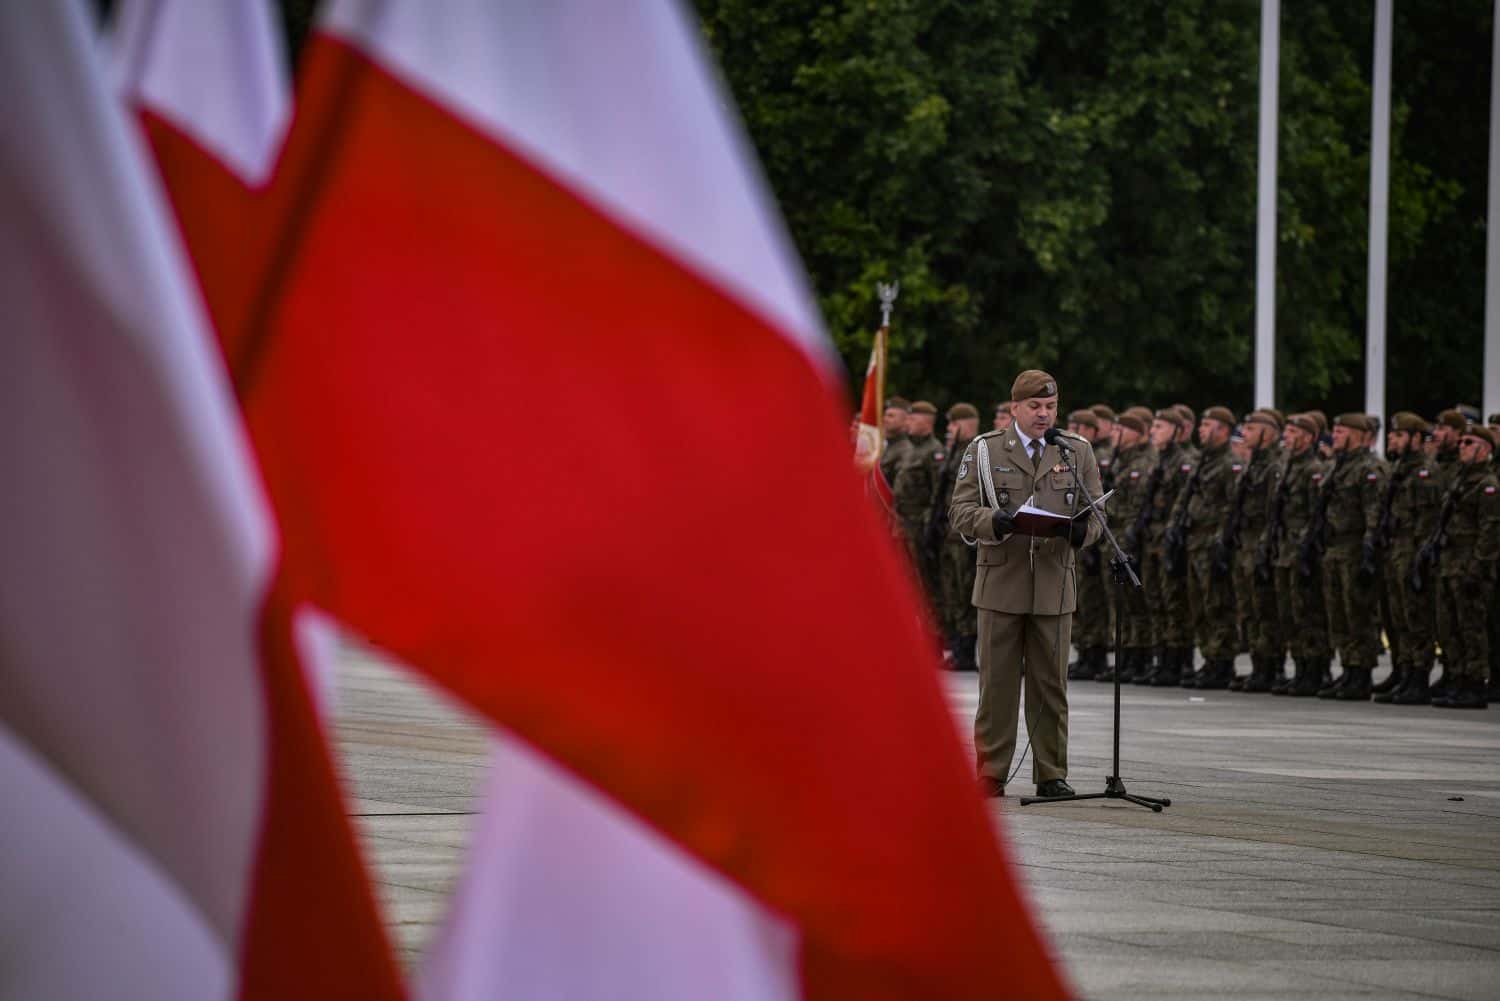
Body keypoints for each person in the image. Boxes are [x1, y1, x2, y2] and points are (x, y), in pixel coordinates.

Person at [949, 370, 1101, 799]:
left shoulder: (1075, 451)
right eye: (1034, 406)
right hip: (1001, 582)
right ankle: (991, 772)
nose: (1043, 414)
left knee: (1050, 683)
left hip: (1054, 584)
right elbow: (959, 510)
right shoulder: (984, 450)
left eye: (1050, 407)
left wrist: (1082, 532)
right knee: (996, 685)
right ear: (1014, 407)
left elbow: (1097, 513)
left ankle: (1051, 772)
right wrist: (990, 521)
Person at [1313, 414, 1387, 700]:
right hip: (1333, 547)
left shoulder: (1369, 468)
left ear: (1358, 434)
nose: (1336, 435)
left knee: (1358, 612)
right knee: (1338, 613)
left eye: (1341, 431)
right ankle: (1348, 668)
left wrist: (1369, 549)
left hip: (1355, 548)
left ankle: (1361, 672)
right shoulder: (1338, 467)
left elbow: (1373, 514)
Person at [1167, 406, 1239, 688]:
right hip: (1194, 542)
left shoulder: (1229, 464)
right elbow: (1184, 500)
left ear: (1223, 430)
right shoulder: (1202, 462)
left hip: (1212, 543)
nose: (1201, 430)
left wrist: (1222, 540)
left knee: (1218, 604)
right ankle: (1209, 659)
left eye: (1207, 425)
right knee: (1199, 604)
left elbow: (1231, 507)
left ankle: (1222, 663)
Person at [1430, 426, 1500, 708]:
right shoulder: (1460, 481)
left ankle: (1474, 683)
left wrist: (1478, 568)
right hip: (1449, 564)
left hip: (1470, 566)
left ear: (1484, 449)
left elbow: (1490, 530)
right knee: (1450, 626)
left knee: (1472, 627)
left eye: (1468, 442)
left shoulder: (1488, 484)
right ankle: (1457, 679)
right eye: (1460, 442)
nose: (1461, 446)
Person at [1266, 414, 1334, 696]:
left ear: (1308, 437)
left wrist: (1307, 547)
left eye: (1293, 432)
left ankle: (1316, 669)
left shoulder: (1314, 469)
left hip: (1302, 550)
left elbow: (1316, 514)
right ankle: (1300, 668)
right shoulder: (1287, 468)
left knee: (1309, 612)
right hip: (1284, 549)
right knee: (1289, 612)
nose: (1287, 438)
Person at [1374, 413, 1439, 704]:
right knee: (1398, 616)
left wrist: (1420, 558)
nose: (1392, 439)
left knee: (1416, 617)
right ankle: (1403, 670)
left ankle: (1418, 675)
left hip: (1413, 552)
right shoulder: (1397, 470)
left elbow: (1427, 520)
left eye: (1399, 435)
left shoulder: (1425, 472)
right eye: (1392, 435)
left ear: (1415, 439)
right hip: (1394, 550)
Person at [1139, 409, 1195, 685]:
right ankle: (1161, 657)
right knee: (1155, 598)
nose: (1154, 432)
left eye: (1160, 427)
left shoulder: (1184, 463)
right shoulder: (1157, 461)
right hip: (1152, 537)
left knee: (1174, 600)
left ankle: (1177, 659)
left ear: (1177, 431)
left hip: (1170, 539)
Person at [1229, 411, 1284, 692]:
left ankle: (1271, 666)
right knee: (1249, 608)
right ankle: (1258, 665)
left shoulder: (1275, 465)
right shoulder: (1254, 465)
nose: (1245, 433)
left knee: (1265, 608)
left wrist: (1265, 545)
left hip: (1262, 542)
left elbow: (1273, 511)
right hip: (1245, 543)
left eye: (1251, 428)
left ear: (1268, 432)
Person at [1104, 412, 1157, 683]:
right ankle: (1126, 656)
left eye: (1119, 429)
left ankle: (1141, 656)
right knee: (1119, 602)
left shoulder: (1143, 463)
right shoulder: (1120, 462)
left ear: (1135, 433)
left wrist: (1129, 540)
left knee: (1136, 603)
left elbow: (1136, 508)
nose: (1114, 434)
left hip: (1129, 539)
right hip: (1114, 537)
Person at [932, 403, 981, 671]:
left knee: (965, 592)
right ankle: (957, 645)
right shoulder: (953, 453)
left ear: (968, 424)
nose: (950, 429)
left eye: (954, 424)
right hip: (948, 534)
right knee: (952, 592)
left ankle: (966, 649)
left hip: (964, 535)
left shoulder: (974, 452)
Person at [1065, 410, 1110, 680]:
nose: (1073, 430)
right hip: (1075, 534)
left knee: (1096, 602)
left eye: (1079, 426)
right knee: (1083, 600)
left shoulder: (1095, 456)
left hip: (1097, 535)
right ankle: (1085, 653)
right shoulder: (1065, 455)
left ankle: (1097, 655)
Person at [893, 401, 944, 596]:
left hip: (920, 525)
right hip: (904, 523)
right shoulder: (912, 450)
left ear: (926, 422)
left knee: (924, 578)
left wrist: (927, 523)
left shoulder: (934, 451)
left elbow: (937, 493)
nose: (908, 422)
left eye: (912, 418)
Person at [879, 397, 912, 490]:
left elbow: (901, 487)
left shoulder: (906, 449)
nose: (885, 419)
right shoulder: (883, 445)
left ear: (905, 421)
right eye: (885, 415)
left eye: (891, 416)